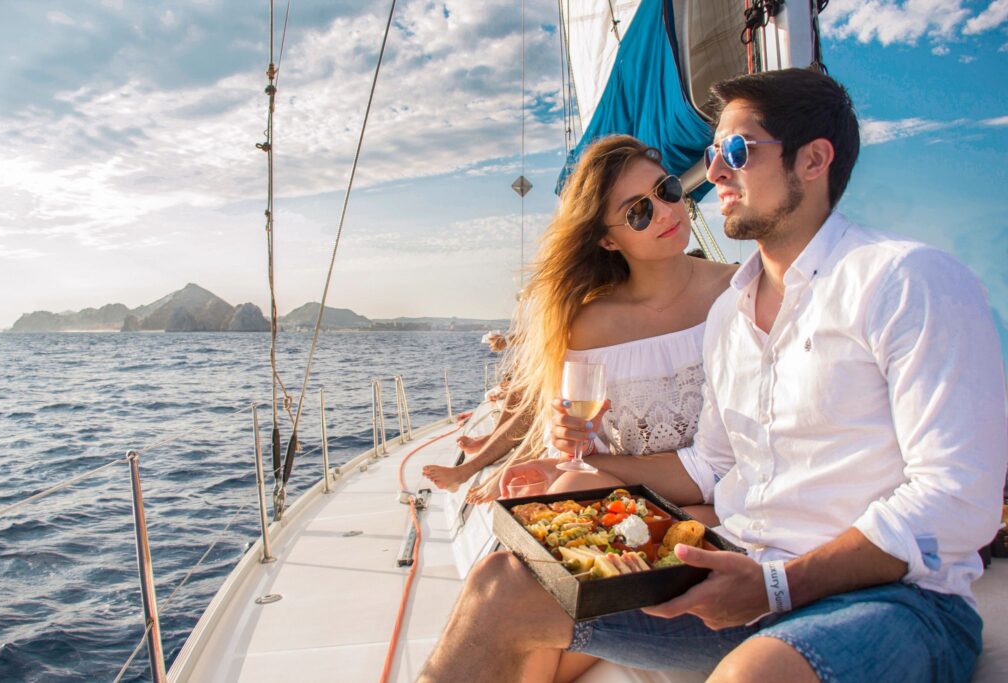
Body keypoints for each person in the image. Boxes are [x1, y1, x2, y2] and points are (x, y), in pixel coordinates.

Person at [419, 68, 1007, 683]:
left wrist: (778, 586)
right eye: (710, 155)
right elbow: (709, 465)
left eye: (735, 152)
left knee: (750, 677)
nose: (714, 173)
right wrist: (590, 470)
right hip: (738, 571)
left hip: (892, 599)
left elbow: (959, 500)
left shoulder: (906, 280)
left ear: (813, 160)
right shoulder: (732, 312)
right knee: (502, 585)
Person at [463, 134, 734, 509]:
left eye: (666, 189)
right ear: (607, 240)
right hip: (638, 506)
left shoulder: (740, 291)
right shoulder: (590, 328)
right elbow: (581, 447)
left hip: (746, 503)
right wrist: (569, 437)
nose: (666, 211)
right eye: (638, 212)